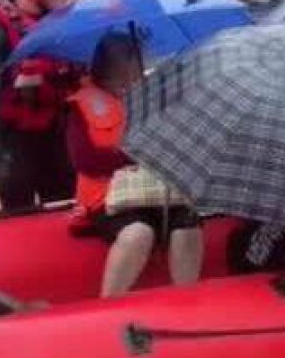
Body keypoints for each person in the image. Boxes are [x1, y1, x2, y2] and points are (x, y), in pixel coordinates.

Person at [67, 32, 204, 297]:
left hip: (154, 193)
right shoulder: (80, 107)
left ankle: (186, 302)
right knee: (137, 233)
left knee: (188, 227)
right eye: (137, 58)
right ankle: (109, 304)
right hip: (106, 200)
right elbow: (86, 160)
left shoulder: (149, 100)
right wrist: (139, 153)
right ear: (120, 63)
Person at [0, 0, 78, 213]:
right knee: (18, 208)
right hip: (16, 139)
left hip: (56, 135)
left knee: (63, 207)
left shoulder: (62, 23)